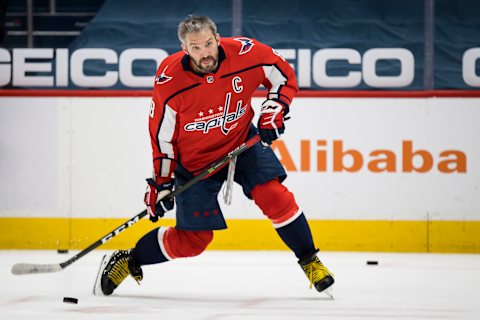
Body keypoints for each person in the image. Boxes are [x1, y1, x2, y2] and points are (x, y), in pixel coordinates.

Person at [94, 15, 334, 296]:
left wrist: (273, 110)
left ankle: (310, 260)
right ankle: (130, 259)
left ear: (218, 39)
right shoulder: (170, 81)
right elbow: (162, 138)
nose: (205, 52)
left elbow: (282, 75)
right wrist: (161, 183)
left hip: (242, 142)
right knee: (193, 241)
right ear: (184, 49)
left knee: (273, 195)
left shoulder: (247, 53)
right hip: (195, 163)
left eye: (209, 43)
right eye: (196, 48)